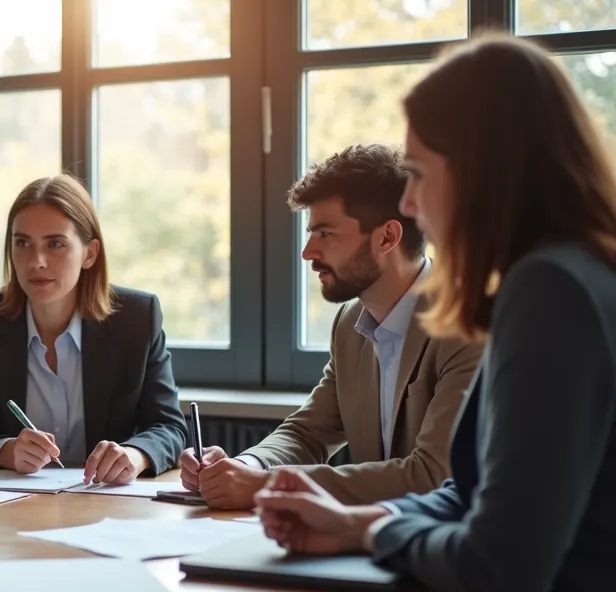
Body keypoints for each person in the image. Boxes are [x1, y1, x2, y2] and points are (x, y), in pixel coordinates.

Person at [254, 33, 616, 592]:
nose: (412, 202)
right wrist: (346, 520)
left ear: (483, 168)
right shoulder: (559, 275)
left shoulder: (548, 290)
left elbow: (500, 566)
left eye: (419, 174)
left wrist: (369, 528)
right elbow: (471, 493)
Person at [180, 144, 481, 509]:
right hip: (369, 540)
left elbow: (433, 476)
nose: (307, 251)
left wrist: (266, 484)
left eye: (326, 234)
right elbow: (308, 433)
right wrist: (242, 467)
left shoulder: (465, 325)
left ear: (387, 237)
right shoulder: (350, 322)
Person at [0, 174, 187, 483]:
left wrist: (134, 455)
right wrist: (3, 451)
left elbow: (170, 427)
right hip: (11, 506)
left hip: (104, 503)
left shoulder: (136, 319)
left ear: (89, 253)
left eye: (56, 244)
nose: (37, 262)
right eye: (22, 243)